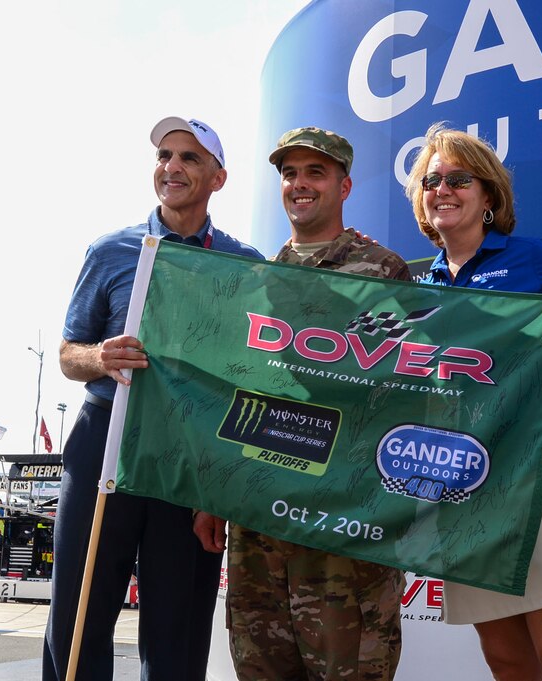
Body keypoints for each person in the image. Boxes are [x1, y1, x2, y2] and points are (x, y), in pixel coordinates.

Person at [42, 116, 264, 681]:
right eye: (165, 155)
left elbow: (251, 377)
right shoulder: (112, 249)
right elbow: (68, 353)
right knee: (77, 618)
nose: (173, 167)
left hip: (188, 454)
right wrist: (100, 358)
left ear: (218, 178)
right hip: (105, 437)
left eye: (190, 158)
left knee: (177, 630)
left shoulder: (243, 264)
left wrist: (218, 484)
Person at [403, 122, 542, 681]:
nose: (443, 190)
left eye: (459, 178)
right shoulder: (417, 290)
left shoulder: (532, 258)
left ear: (488, 196)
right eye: (432, 181)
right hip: (470, 484)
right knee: (507, 662)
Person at [195, 127, 410, 681]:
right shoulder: (256, 282)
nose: (299, 184)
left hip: (341, 520)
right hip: (258, 524)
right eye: (289, 173)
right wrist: (213, 493)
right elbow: (235, 391)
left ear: (345, 185)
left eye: (315, 172)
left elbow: (405, 400)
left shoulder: (384, 272)